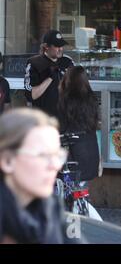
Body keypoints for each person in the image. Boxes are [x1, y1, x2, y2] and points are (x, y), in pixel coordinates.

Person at [0, 108, 81, 244]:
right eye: (43, 155)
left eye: (57, 156)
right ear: (7, 161)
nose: (55, 165)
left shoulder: (50, 206)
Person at [58, 66, 100, 182]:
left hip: (73, 155)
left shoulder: (65, 99)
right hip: (92, 152)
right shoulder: (92, 99)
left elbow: (61, 128)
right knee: (82, 187)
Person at [24, 30, 74, 118]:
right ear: (46, 47)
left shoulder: (67, 61)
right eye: (57, 46)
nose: (60, 49)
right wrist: (50, 77)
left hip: (65, 117)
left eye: (61, 45)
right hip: (43, 118)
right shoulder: (34, 63)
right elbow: (31, 95)